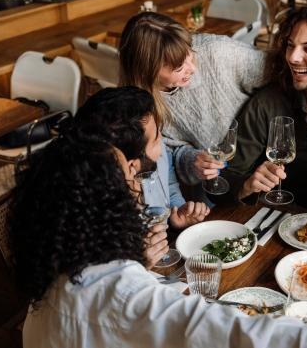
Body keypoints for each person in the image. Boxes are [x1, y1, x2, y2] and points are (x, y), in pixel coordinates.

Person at [8, 99, 307, 348]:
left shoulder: (51, 281)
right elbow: (228, 333)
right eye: (130, 176)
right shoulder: (121, 295)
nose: (139, 181)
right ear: (105, 206)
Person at [211, 0, 307, 213]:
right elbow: (225, 179)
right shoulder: (268, 104)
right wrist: (247, 185)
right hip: (284, 221)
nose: (293, 58)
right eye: (290, 45)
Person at [118, 12, 268, 191]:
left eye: (190, 53)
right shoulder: (139, 107)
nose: (193, 68)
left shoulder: (216, 51)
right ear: (146, 72)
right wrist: (192, 161)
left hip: (264, 151)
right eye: (179, 67)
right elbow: (171, 157)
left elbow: (278, 70)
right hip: (220, 181)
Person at [73, 87, 209, 267]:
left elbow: (169, 188)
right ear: (131, 165)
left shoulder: (159, 159)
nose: (163, 140)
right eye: (156, 138)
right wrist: (137, 265)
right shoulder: (89, 211)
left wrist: (178, 213)